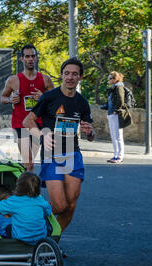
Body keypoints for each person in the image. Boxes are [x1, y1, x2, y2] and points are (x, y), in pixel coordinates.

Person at [23, 57, 95, 232]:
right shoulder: (49, 97)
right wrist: (42, 136)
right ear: (62, 75)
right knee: (59, 206)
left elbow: (90, 134)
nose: (70, 77)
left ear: (80, 78)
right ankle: (28, 215)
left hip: (73, 154)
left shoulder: (82, 102)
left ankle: (52, 241)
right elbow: (28, 121)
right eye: (67, 73)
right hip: (52, 155)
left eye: (74, 74)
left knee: (70, 206)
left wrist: (90, 132)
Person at [0, 44, 54, 171]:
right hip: (20, 124)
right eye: (27, 56)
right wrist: (10, 100)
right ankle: (28, 190)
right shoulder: (13, 80)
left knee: (31, 162)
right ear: (22, 59)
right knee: (28, 163)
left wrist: (43, 97)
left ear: (36, 58)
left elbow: (54, 101)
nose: (30, 59)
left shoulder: (45, 80)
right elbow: (2, 98)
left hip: (38, 124)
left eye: (33, 56)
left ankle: (28, 187)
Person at [0, 172, 52, 245]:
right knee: (44, 223)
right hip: (41, 237)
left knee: (8, 227)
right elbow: (48, 212)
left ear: (19, 187)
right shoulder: (40, 199)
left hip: (21, 237)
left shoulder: (15, 200)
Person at [100, 71, 126, 163]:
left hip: (116, 114)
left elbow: (121, 100)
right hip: (111, 113)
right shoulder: (113, 88)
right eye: (108, 78)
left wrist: (116, 110)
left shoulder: (119, 87)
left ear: (116, 79)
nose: (109, 80)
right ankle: (115, 155)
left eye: (110, 78)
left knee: (118, 136)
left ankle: (120, 156)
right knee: (113, 136)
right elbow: (110, 101)